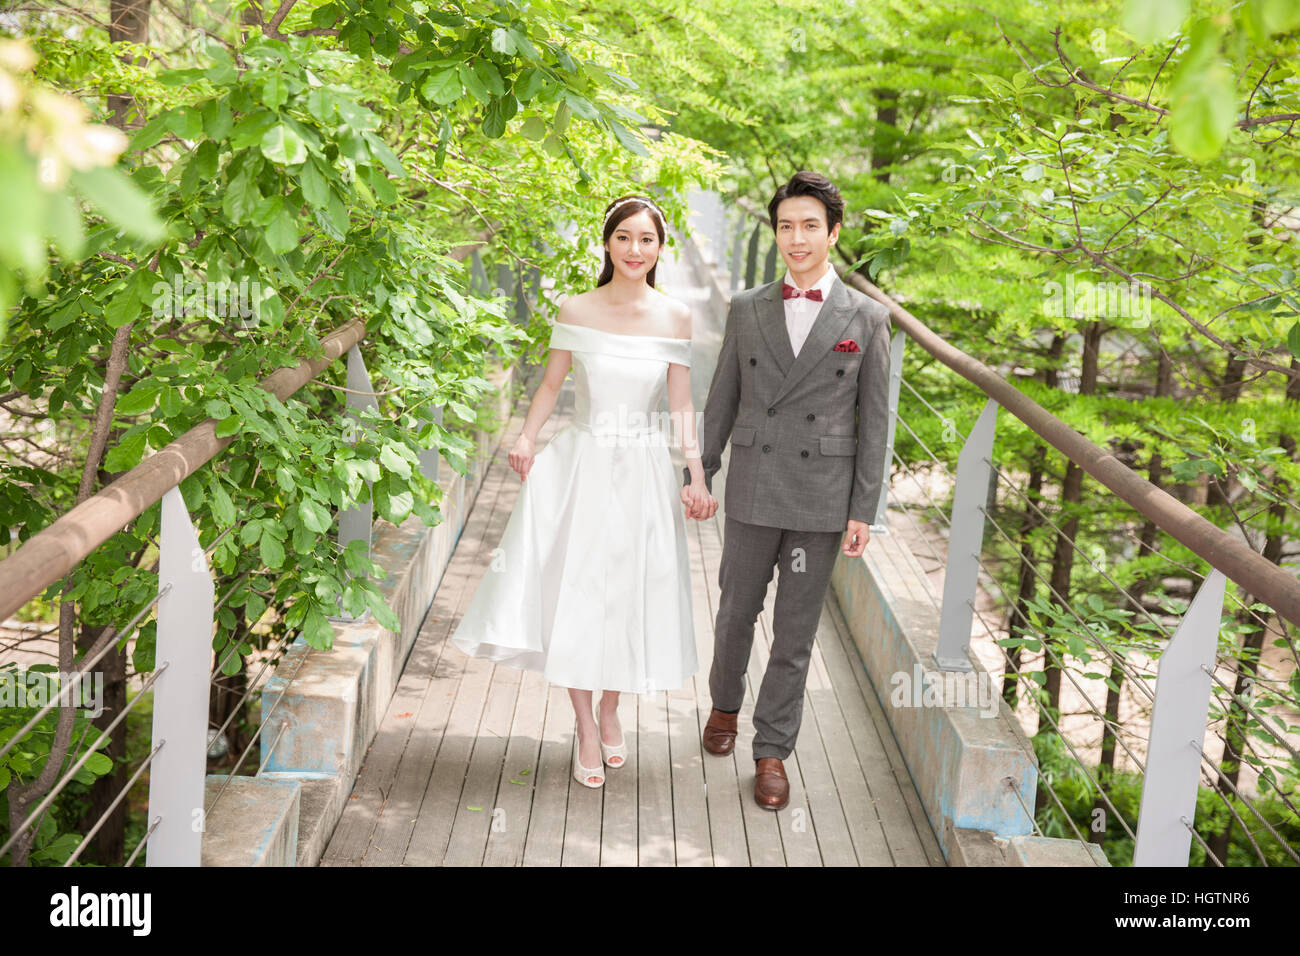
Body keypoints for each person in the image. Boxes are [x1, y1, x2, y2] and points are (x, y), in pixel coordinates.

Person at [450, 194, 711, 789]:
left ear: (660, 247)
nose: (635, 250)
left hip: (643, 467)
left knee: (625, 590)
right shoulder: (576, 308)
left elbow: (680, 405)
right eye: (624, 238)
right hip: (583, 461)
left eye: (646, 240)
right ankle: (584, 725)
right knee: (578, 589)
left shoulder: (675, 316)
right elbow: (549, 385)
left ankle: (611, 706)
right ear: (607, 242)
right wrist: (525, 436)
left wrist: (694, 473)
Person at [684, 171, 892, 811]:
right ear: (774, 232)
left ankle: (772, 750)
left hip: (819, 500)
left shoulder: (868, 316)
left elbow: (876, 420)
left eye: (809, 226)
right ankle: (724, 707)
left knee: (795, 631)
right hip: (753, 485)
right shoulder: (747, 308)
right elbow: (721, 397)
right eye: (785, 226)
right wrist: (701, 472)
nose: (796, 239)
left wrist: (865, 509)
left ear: (833, 233)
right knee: (735, 612)